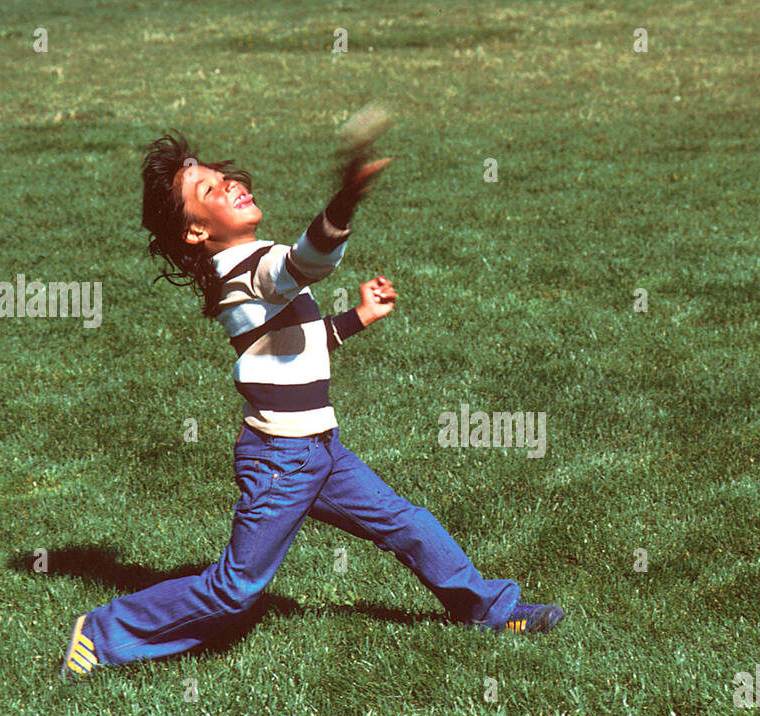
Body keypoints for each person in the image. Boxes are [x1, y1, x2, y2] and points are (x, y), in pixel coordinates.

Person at [61, 128, 564, 680]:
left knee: (406, 523)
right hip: (281, 459)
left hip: (319, 451)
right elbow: (306, 261)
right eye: (207, 190)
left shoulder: (248, 270)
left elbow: (291, 345)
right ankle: (102, 633)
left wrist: (357, 319)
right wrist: (345, 200)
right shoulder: (249, 270)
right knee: (236, 588)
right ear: (197, 231)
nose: (227, 184)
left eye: (221, 176)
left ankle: (490, 610)